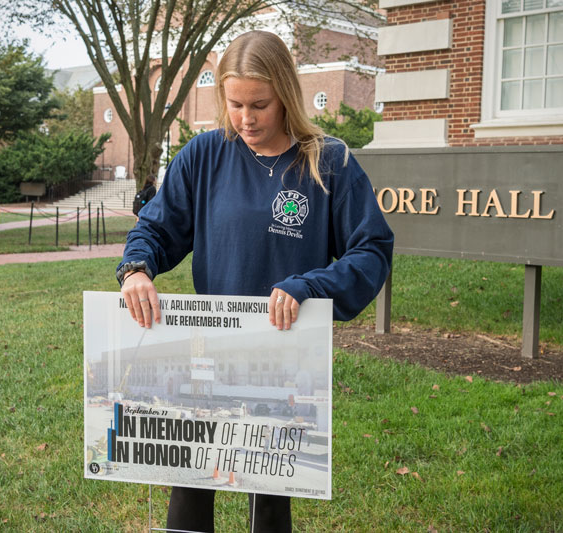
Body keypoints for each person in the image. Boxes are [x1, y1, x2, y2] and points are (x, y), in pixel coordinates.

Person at [116, 30, 393, 533]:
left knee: (268, 497)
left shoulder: (329, 162)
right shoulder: (203, 156)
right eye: (235, 104)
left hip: (283, 356)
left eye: (260, 105)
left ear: (286, 94)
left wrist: (310, 286)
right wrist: (136, 270)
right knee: (193, 480)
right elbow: (156, 229)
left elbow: (372, 250)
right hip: (208, 351)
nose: (246, 119)